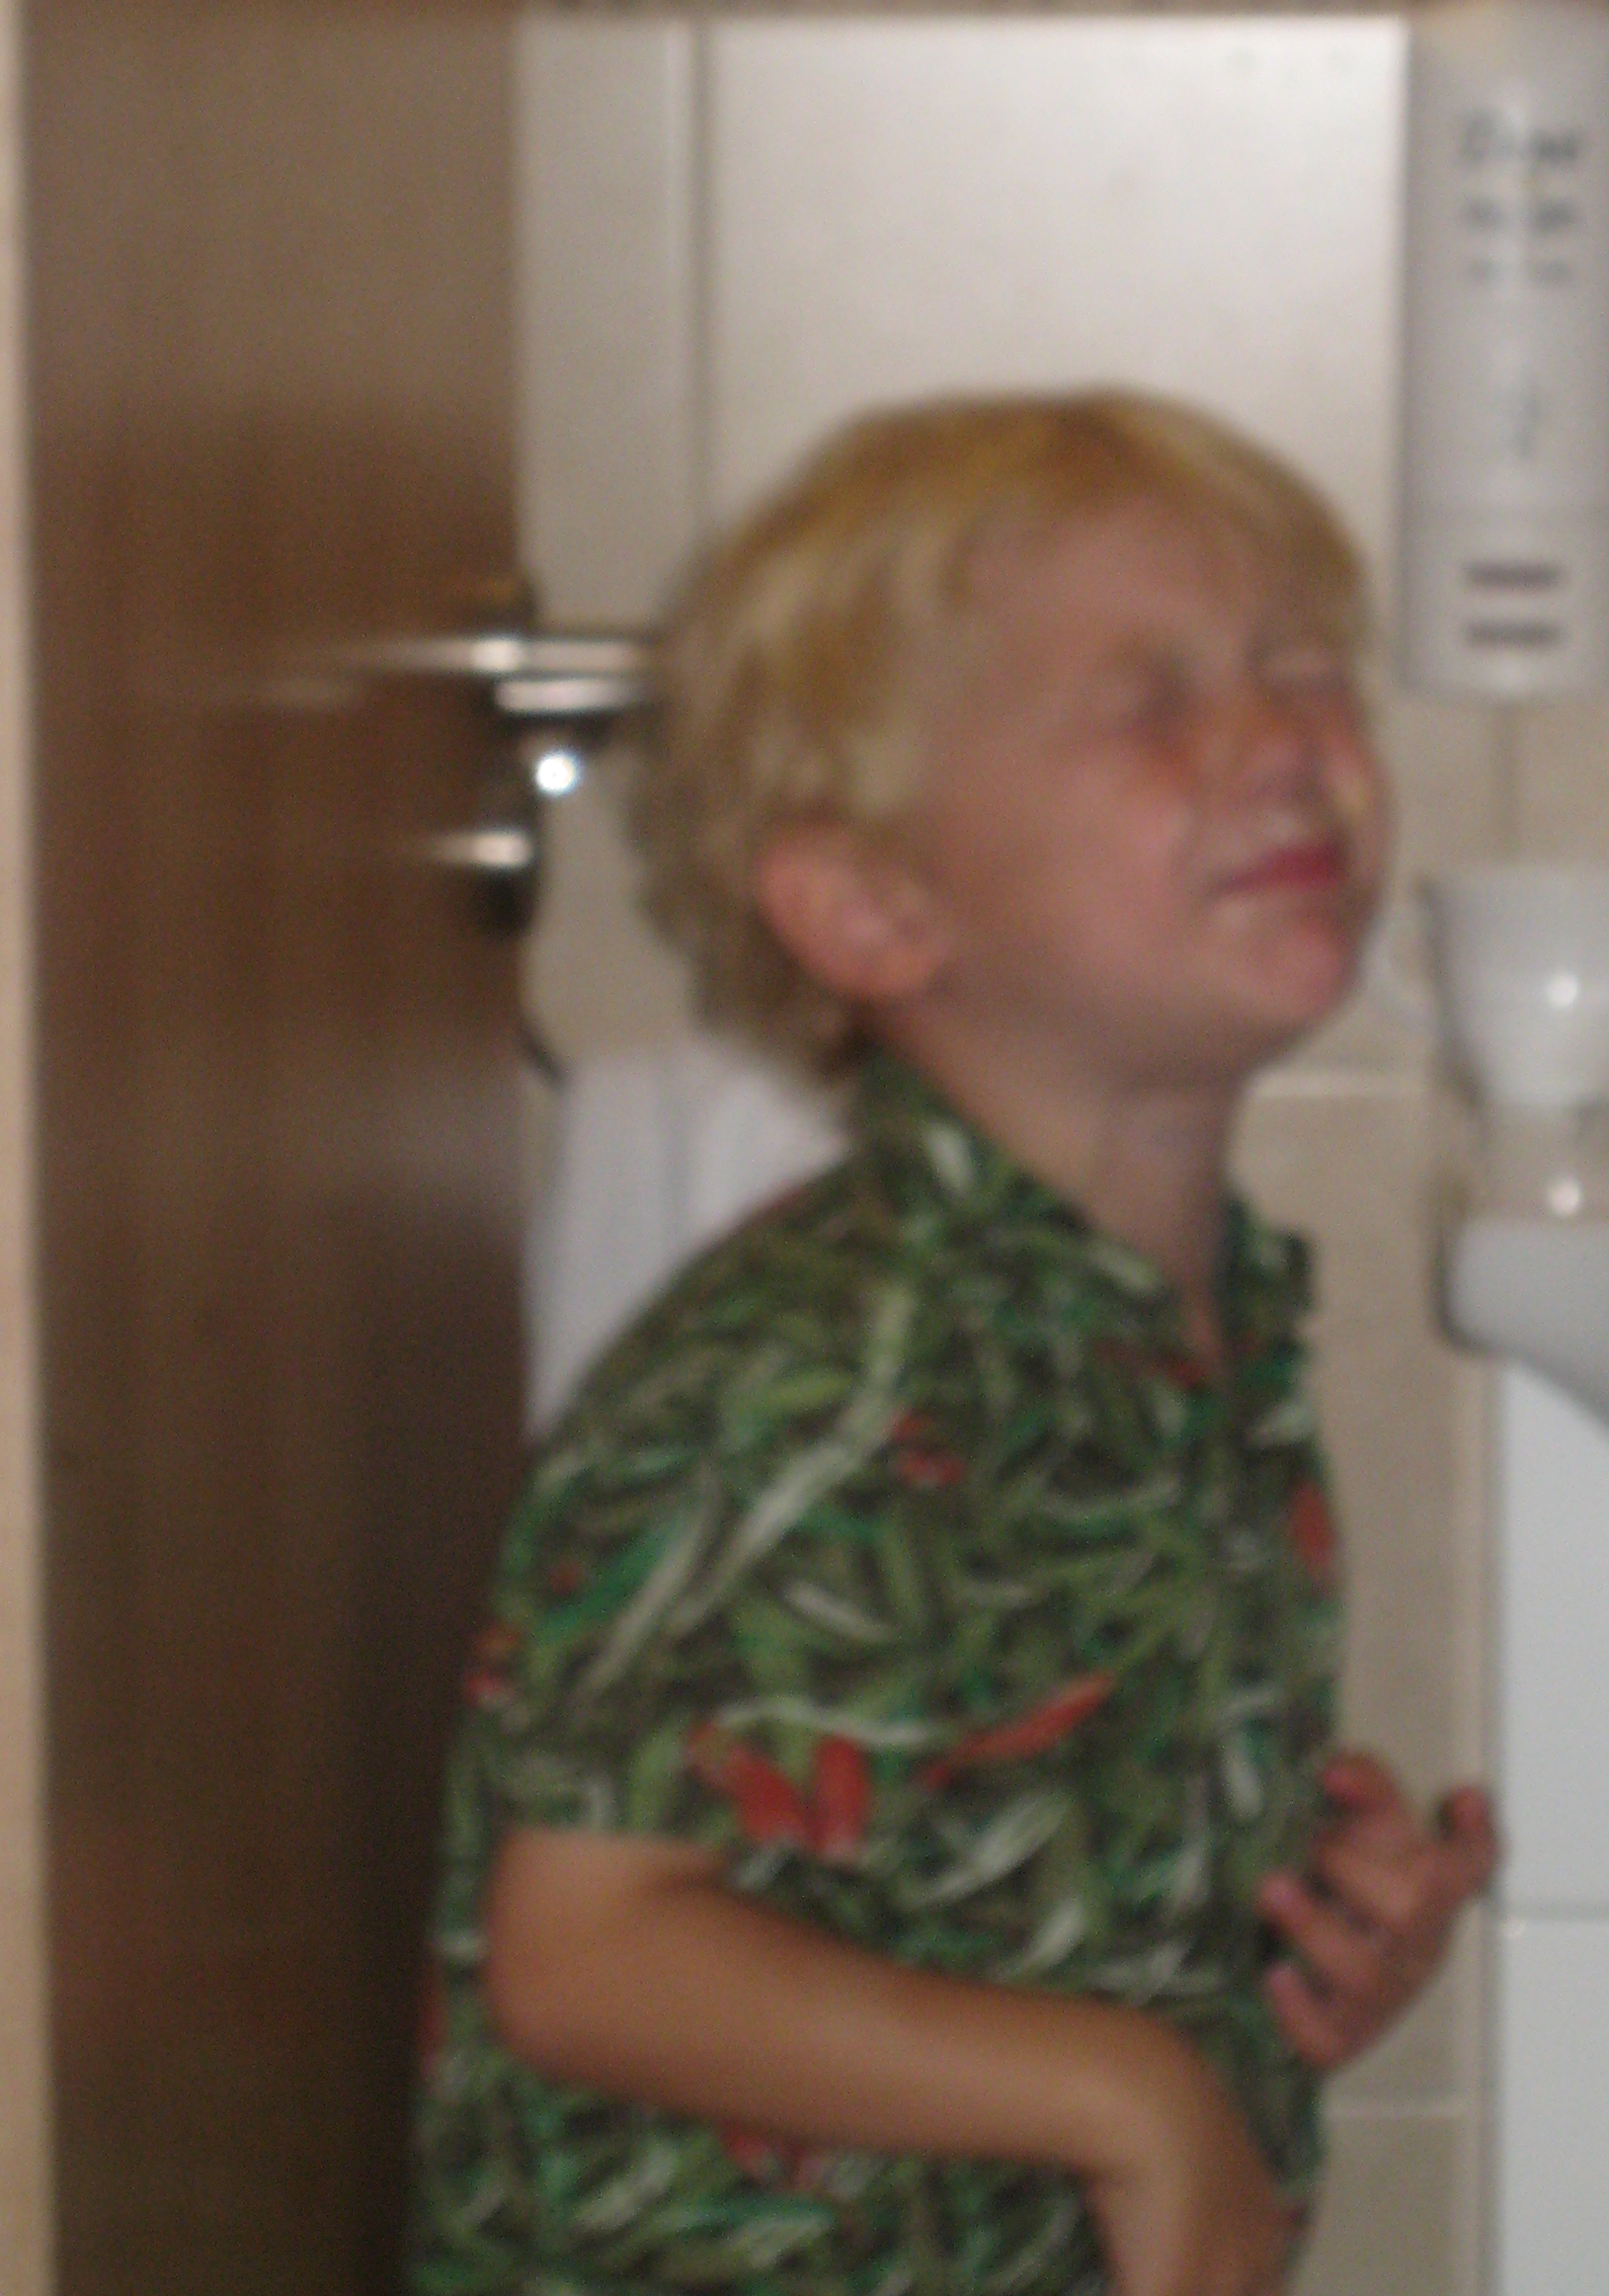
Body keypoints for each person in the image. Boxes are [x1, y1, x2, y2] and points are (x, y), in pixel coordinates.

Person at [407, 389, 1497, 2296]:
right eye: (1153, 700)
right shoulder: (812, 1374)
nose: (1286, 745)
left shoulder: (1197, 1325)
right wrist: (1135, 2100)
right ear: (873, 908)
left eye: (1306, 670)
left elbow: (987, 1870)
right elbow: (585, 1955)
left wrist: (1299, 1946)